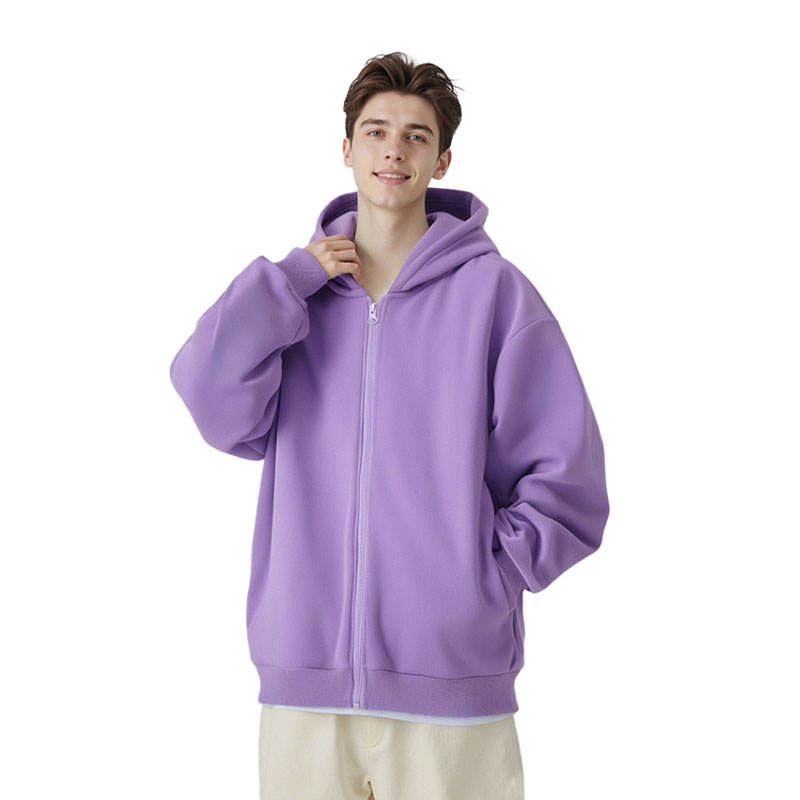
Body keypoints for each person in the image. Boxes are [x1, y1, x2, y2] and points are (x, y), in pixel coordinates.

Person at [169, 51, 610, 800]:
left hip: (452, 690)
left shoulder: (496, 296)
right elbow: (209, 397)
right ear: (347, 149)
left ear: (442, 159)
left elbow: (569, 482)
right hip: (304, 682)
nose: (393, 150)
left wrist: (480, 584)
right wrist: (289, 282)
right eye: (376, 132)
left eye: (415, 135)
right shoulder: (296, 302)